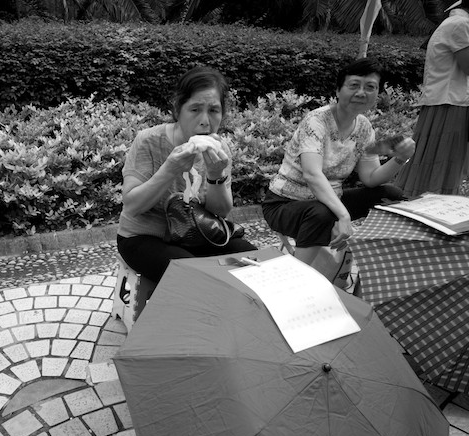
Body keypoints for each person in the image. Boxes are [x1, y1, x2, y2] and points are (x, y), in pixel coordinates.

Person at [261, 57, 415, 279]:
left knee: (391, 195)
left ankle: (383, 268)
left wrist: (400, 158)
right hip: (284, 204)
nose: (361, 93)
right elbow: (312, 174)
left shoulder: (364, 127)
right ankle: (293, 279)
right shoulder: (316, 121)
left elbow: (370, 178)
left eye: (370, 87)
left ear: (377, 94)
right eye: (354, 85)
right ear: (338, 90)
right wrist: (343, 216)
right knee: (322, 214)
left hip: (330, 202)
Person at [116, 66, 257, 284]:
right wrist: (170, 169)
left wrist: (215, 174)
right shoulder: (149, 141)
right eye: (195, 109)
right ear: (178, 109)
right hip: (145, 236)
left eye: (213, 110)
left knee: (252, 263)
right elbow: (133, 206)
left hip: (198, 234)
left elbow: (220, 212)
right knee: (195, 277)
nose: (205, 120)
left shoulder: (220, 150)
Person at [394, 0, 469, 197]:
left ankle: (420, 200)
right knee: (443, 161)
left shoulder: (452, 23)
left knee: (432, 160)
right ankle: (432, 203)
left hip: (446, 100)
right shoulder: (461, 24)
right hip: (450, 102)